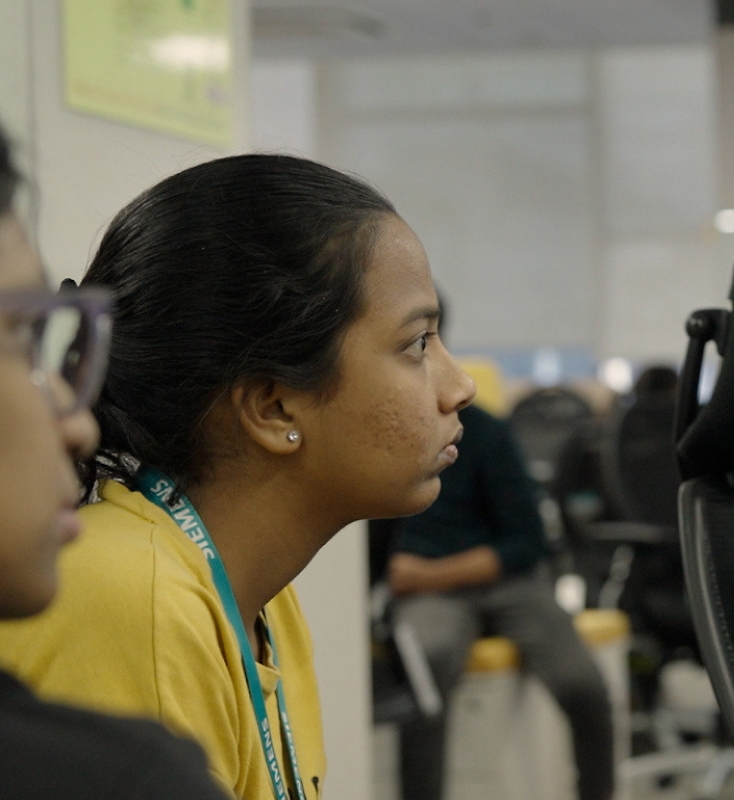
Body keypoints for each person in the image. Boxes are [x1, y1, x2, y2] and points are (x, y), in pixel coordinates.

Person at [0, 153, 478, 800]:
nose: (461, 385)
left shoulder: (256, 595)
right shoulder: (133, 600)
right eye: (417, 344)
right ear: (274, 405)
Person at [0, 127, 233, 799]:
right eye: (21, 336)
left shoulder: (268, 605)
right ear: (270, 403)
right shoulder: (121, 778)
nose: (75, 423)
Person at [386, 304, 614, 800]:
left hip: (496, 581)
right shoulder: (381, 430)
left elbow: (526, 541)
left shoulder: (485, 432)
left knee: (584, 683)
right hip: (431, 596)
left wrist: (427, 575)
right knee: (424, 668)